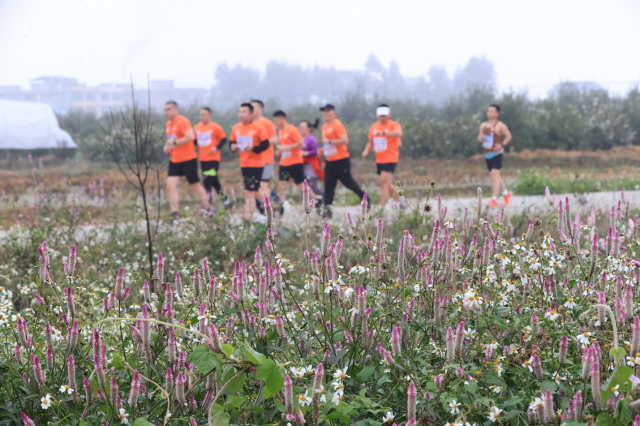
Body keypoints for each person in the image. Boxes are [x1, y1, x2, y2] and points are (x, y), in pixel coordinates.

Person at [319, 104, 369, 219]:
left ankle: (365, 198)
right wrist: (323, 149)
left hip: (341, 160)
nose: (325, 113)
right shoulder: (324, 127)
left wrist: (330, 141)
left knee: (348, 183)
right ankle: (327, 210)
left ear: (333, 112)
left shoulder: (337, 125)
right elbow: (328, 144)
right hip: (329, 160)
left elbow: (345, 140)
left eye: (328, 111)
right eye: (324, 111)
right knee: (328, 186)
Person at [163, 100, 211, 219]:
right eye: (165, 109)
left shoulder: (182, 121)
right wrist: (167, 146)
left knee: (194, 185)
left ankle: (208, 208)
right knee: (170, 186)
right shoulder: (168, 124)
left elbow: (190, 137)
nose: (166, 112)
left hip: (188, 159)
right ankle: (175, 213)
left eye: (169, 109)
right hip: (174, 160)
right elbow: (170, 140)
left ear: (176, 110)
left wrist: (175, 142)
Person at [229, 103, 270, 221]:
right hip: (244, 163)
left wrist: (253, 148)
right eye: (239, 112)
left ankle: (248, 217)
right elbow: (231, 142)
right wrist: (233, 147)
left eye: (244, 112)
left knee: (249, 190)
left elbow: (265, 144)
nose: (240, 114)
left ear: (251, 114)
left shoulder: (258, 127)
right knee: (254, 190)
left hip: (256, 164)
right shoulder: (236, 128)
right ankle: (272, 209)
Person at [361, 104, 403, 208]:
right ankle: (402, 202)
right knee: (387, 184)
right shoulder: (374, 126)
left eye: (384, 115)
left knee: (383, 183)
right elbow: (370, 142)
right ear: (377, 115)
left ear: (389, 115)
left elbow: (398, 133)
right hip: (379, 160)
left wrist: (384, 132)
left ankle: (382, 207)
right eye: (380, 115)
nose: (382, 117)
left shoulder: (393, 125)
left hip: (390, 158)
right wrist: (366, 151)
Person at [273, 110, 315, 208]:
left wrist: (286, 148)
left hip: (295, 162)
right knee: (281, 185)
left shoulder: (292, 129)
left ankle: (315, 201)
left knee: (301, 185)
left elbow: (300, 143)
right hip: (284, 162)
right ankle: (280, 206)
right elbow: (284, 146)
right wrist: (280, 151)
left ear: (282, 119)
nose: (276, 123)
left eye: (276, 121)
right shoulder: (280, 131)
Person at [477, 104, 512, 207]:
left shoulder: (500, 125)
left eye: (492, 111)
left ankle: (494, 199)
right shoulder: (483, 125)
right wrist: (482, 137)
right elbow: (480, 138)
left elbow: (508, 136)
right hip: (488, 154)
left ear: (497, 113)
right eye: (488, 111)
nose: (489, 113)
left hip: (497, 154)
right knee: (495, 176)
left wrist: (501, 145)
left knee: (494, 174)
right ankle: (506, 193)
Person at [251, 100, 279, 211]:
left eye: (253, 108)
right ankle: (273, 206)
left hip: (265, 160)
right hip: (251, 162)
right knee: (253, 188)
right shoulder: (249, 124)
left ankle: (272, 209)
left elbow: (275, 140)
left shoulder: (266, 123)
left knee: (263, 186)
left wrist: (261, 143)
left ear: (260, 109)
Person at [194, 107, 227, 201]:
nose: (201, 117)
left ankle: (208, 205)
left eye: (203, 115)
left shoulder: (216, 127)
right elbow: (195, 142)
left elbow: (224, 140)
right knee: (215, 182)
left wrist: (216, 147)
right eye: (200, 115)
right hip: (202, 158)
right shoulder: (197, 127)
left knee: (207, 181)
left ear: (209, 115)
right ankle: (226, 201)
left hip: (213, 159)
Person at [300, 119, 324, 201]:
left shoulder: (311, 139)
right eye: (300, 127)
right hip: (304, 167)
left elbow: (315, 151)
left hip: (312, 166)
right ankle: (307, 207)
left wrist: (305, 153)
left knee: (312, 187)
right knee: (303, 188)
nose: (301, 129)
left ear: (308, 128)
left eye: (303, 127)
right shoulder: (303, 139)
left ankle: (326, 196)